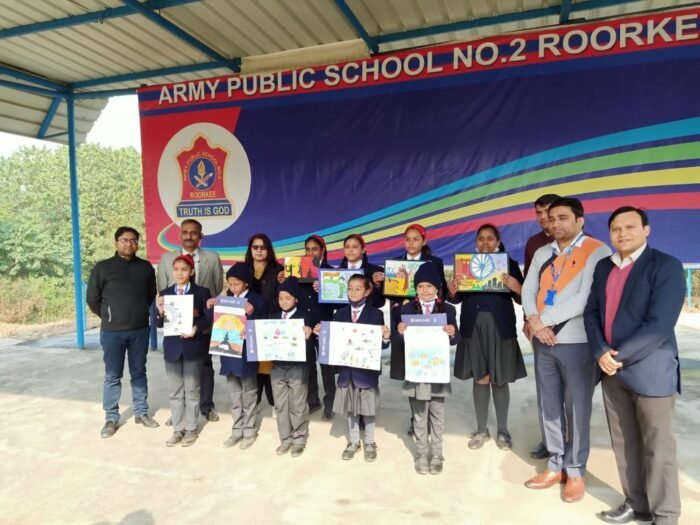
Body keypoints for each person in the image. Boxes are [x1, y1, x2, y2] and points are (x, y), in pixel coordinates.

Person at [584, 207, 685, 525]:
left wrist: (617, 356)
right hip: (611, 370)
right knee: (624, 442)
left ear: (646, 230)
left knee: (658, 447)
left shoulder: (665, 266)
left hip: (650, 369)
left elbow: (660, 324)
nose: (622, 233)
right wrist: (600, 351)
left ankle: (665, 515)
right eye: (616, 228)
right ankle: (637, 503)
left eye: (630, 227)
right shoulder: (603, 267)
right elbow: (592, 313)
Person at [521, 196, 611, 503]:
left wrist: (541, 321)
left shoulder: (597, 250)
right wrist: (534, 322)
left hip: (577, 342)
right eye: (552, 218)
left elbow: (587, 297)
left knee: (577, 407)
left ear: (579, 220)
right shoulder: (543, 252)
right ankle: (555, 464)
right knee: (548, 404)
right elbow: (528, 289)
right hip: (542, 340)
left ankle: (575, 470)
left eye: (563, 218)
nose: (555, 223)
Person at [448, 224, 526, 451]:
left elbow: (522, 298)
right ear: (476, 242)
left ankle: (503, 430)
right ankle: (481, 430)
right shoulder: (466, 265)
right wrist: (452, 290)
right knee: (480, 378)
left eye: (490, 238)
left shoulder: (509, 263)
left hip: (501, 328)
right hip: (473, 327)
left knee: (499, 379)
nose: (485, 243)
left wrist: (516, 286)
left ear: (498, 241)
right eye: (481, 239)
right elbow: (456, 298)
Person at [86, 226, 158, 438]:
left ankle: (141, 412)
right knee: (112, 375)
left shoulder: (145, 267)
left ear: (137, 243)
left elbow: (150, 295)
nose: (129, 244)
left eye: (133, 240)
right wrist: (109, 316)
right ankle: (111, 417)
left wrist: (138, 313)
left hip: (139, 330)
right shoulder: (102, 268)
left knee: (139, 372)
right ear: (116, 242)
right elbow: (92, 299)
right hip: (112, 332)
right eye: (124, 240)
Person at [378, 223, 447, 435]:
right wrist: (381, 284)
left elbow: (442, 291)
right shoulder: (395, 264)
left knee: (430, 367)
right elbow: (388, 294)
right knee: (411, 370)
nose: (411, 243)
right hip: (403, 321)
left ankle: (431, 416)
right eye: (407, 239)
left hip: (429, 323)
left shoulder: (435, 262)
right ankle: (415, 417)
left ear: (424, 241)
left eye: (416, 239)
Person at [315, 274, 390, 462]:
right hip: (346, 370)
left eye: (358, 289)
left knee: (368, 408)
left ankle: (370, 442)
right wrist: (321, 334)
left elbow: (381, 345)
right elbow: (334, 342)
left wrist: (385, 337)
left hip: (366, 372)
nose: (353, 292)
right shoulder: (339, 314)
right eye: (350, 288)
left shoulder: (376, 314)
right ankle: (354, 442)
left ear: (367, 291)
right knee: (350, 408)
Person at [393, 263, 459, 475]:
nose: (425, 290)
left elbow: (455, 339)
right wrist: (399, 331)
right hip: (417, 372)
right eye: (420, 286)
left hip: (438, 372)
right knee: (419, 415)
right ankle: (421, 454)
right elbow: (398, 341)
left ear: (438, 288)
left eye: (429, 286)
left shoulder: (448, 310)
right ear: (415, 288)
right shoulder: (406, 310)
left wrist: (452, 332)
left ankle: (437, 454)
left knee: (437, 414)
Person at [157, 219, 224, 423]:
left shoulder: (212, 258)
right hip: (176, 328)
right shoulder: (167, 259)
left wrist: (200, 314)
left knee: (205, 367)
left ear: (200, 236)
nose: (189, 236)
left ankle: (206, 406)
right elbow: (163, 289)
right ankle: (179, 412)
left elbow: (216, 286)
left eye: (194, 233)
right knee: (178, 371)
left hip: (201, 325)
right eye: (185, 232)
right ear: (179, 235)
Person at [155, 254, 211, 447]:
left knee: (192, 390)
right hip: (172, 348)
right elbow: (158, 323)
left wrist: (196, 328)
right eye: (176, 269)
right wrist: (159, 310)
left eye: (184, 269)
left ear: (191, 271)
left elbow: (208, 318)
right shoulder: (165, 293)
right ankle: (178, 429)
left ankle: (191, 429)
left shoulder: (202, 292)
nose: (180, 273)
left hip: (193, 347)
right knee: (175, 391)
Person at [279, 234, 336, 420]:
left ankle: (330, 403)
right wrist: (284, 280)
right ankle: (312, 401)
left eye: (315, 249)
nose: (311, 253)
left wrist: (326, 290)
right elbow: (288, 293)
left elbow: (340, 302)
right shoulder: (296, 271)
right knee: (308, 364)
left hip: (324, 324)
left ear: (323, 251)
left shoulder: (331, 273)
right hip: (304, 325)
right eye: (308, 249)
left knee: (327, 366)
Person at [217, 263, 269, 450]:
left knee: (249, 394)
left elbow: (265, 325)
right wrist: (210, 305)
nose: (233, 287)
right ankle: (236, 430)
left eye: (236, 284)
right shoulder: (226, 300)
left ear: (246, 283)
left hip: (247, 354)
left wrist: (252, 314)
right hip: (229, 354)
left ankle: (249, 430)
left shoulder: (257, 300)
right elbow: (213, 320)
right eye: (230, 284)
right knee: (234, 395)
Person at [524, 194, 560, 460]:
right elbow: (529, 286)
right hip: (539, 326)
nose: (544, 217)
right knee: (546, 388)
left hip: (572, 328)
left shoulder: (587, 244)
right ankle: (549, 441)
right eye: (538, 212)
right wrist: (530, 320)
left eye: (548, 211)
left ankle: (570, 446)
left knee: (571, 391)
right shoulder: (535, 244)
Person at [269, 277, 314, 458]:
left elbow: (310, 347)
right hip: (277, 367)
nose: (284, 301)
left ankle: (299, 439)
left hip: (297, 367)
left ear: (296, 299)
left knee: (298, 404)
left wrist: (308, 336)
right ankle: (285, 439)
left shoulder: (305, 317)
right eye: (281, 298)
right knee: (280, 405)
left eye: (288, 298)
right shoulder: (273, 318)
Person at [243, 234, 284, 412]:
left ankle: (274, 403)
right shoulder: (243, 269)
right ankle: (255, 402)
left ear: (269, 249)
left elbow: (284, 297)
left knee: (269, 365)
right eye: (255, 247)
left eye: (263, 247)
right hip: (248, 324)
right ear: (250, 249)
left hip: (270, 322)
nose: (259, 250)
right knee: (253, 365)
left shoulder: (279, 270)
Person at [337, 233, 385, 307]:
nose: (350, 250)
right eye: (347, 247)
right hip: (343, 314)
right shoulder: (336, 273)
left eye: (355, 247)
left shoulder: (376, 271)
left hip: (368, 314)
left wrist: (377, 285)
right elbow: (332, 305)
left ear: (363, 250)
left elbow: (380, 303)